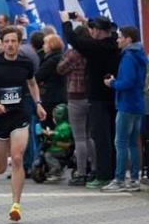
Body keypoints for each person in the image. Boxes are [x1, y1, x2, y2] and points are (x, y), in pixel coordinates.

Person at [0, 27, 46, 222]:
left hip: (19, 116)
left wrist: (38, 103)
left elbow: (32, 83)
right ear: (2, 44)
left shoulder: (26, 63)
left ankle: (16, 205)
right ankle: (2, 162)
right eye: (7, 41)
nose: (10, 45)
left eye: (13, 41)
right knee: (0, 168)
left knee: (17, 157)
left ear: (19, 43)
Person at [61, 13, 120, 189]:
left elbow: (74, 40)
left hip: (97, 98)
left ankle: (103, 176)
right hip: (113, 97)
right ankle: (114, 173)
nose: (91, 32)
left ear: (98, 31)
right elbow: (108, 31)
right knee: (112, 137)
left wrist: (66, 22)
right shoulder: (114, 43)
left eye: (93, 29)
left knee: (100, 138)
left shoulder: (96, 47)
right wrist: (84, 20)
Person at [103, 26, 147, 192]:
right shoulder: (140, 54)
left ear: (128, 39)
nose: (117, 39)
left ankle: (120, 179)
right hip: (138, 104)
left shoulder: (128, 56)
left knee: (120, 142)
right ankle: (134, 179)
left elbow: (127, 82)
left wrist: (112, 83)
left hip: (126, 104)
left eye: (120, 37)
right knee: (133, 143)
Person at [56, 26, 95, 185]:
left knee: (79, 138)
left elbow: (60, 69)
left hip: (75, 97)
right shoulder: (92, 51)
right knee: (89, 136)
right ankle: (95, 169)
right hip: (91, 96)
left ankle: (81, 172)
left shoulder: (73, 54)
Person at [35, 34, 66, 128]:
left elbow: (38, 76)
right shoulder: (63, 56)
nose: (43, 46)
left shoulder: (51, 60)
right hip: (62, 95)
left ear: (51, 45)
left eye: (45, 43)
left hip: (51, 97)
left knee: (49, 124)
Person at [41, 104, 73, 183]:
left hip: (62, 148)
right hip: (56, 147)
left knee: (48, 155)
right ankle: (54, 170)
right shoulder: (59, 125)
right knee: (47, 151)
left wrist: (53, 133)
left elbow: (64, 135)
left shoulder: (65, 125)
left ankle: (56, 170)